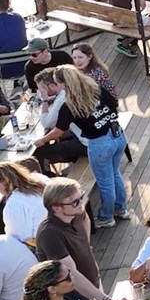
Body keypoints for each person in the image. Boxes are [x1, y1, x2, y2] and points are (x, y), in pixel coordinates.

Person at [46, 66, 127, 229]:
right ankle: (121, 209)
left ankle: (106, 217)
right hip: (118, 135)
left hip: (100, 143)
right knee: (115, 173)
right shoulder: (97, 89)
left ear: (63, 83)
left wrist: (42, 141)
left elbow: (59, 130)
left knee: (105, 182)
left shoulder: (70, 105)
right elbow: (115, 104)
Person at [0, 159, 47, 246]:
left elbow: (15, 239)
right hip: (58, 227)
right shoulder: (39, 179)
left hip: (42, 243)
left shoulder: (14, 204)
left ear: (4, 182)